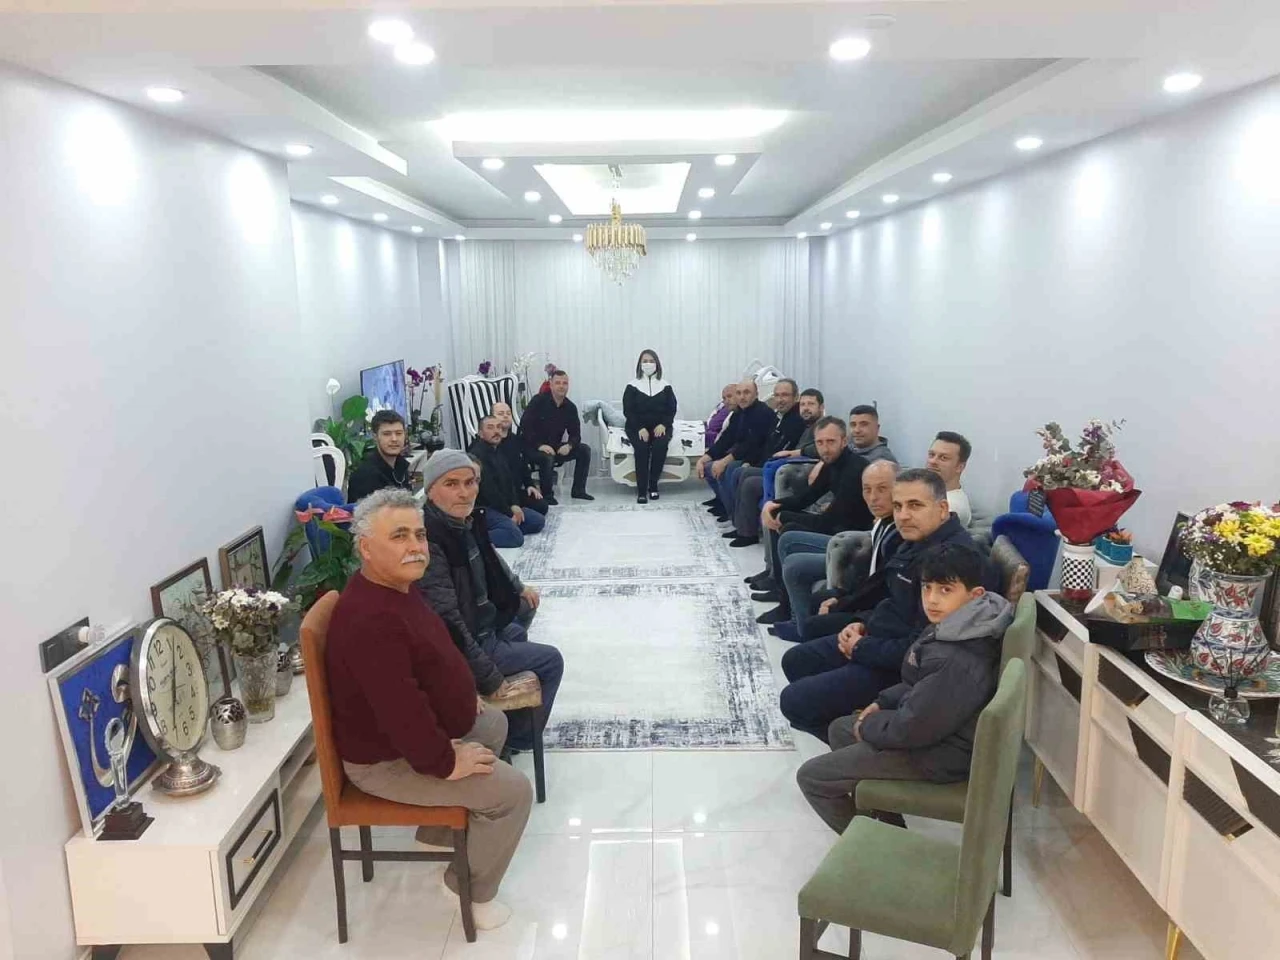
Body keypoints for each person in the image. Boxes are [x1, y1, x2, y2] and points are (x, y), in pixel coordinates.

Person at [326, 488, 531, 930]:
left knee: (493, 723)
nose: (416, 546)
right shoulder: (371, 619)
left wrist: (461, 693)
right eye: (399, 536)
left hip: (412, 737)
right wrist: (444, 762)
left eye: (419, 535)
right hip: (386, 761)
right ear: (366, 548)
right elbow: (398, 707)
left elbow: (426, 657)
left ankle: (438, 833)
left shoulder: (393, 588)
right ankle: (467, 890)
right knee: (513, 794)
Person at [795, 542, 1013, 834]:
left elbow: (913, 728)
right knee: (839, 729)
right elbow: (918, 682)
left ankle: (874, 847)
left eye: (945, 590)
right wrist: (882, 703)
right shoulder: (963, 621)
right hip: (936, 732)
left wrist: (868, 726)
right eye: (927, 588)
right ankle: (889, 825)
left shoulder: (957, 657)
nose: (932, 599)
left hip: (941, 754)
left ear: (975, 594)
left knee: (813, 777)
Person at [777, 468, 983, 741]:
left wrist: (861, 648)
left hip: (897, 667)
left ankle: (859, 744)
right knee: (796, 660)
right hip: (878, 637)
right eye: (898, 506)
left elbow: (920, 648)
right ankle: (847, 724)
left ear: (943, 508)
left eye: (915, 505)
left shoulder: (951, 564)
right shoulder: (915, 540)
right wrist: (861, 624)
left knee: (793, 701)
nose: (903, 515)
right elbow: (889, 597)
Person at [417, 450, 564, 752]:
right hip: (470, 641)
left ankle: (513, 715)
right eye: (451, 484)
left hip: (483, 624)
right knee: (551, 660)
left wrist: (518, 587)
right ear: (430, 490)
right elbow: (448, 624)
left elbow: (492, 560)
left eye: (470, 482)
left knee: (519, 624)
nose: (464, 492)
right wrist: (489, 677)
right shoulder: (431, 541)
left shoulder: (463, 522)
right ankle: (517, 739)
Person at [749, 417, 874, 622]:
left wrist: (783, 515)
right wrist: (773, 505)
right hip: (836, 527)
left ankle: (787, 607)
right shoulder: (832, 464)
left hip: (851, 539)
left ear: (844, 441)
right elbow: (806, 498)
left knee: (788, 531)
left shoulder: (854, 469)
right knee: (778, 517)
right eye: (820, 443)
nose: (825, 448)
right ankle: (778, 585)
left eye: (831, 442)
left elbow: (829, 521)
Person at [768, 459, 901, 644]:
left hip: (875, 603)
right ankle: (793, 616)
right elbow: (811, 498)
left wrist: (842, 603)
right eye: (867, 490)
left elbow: (881, 586)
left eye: (882, 489)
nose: (873, 498)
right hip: (859, 568)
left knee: (811, 624)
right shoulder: (882, 519)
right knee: (791, 547)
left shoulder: (899, 531)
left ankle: (804, 633)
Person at [726, 387, 824, 545]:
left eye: (811, 404)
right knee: (741, 472)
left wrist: (798, 453)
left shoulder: (823, 427)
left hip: (796, 474)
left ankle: (747, 533)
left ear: (821, 407)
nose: (806, 408)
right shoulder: (802, 424)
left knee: (750, 483)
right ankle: (740, 526)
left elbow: (821, 449)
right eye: (803, 404)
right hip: (784, 467)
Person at [716, 379, 804, 534]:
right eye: (777, 395)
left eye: (785, 395)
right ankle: (738, 522)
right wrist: (751, 462)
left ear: (796, 397)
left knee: (743, 476)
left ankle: (745, 531)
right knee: (739, 471)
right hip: (767, 463)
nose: (780, 399)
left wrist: (752, 463)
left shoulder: (795, 420)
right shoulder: (780, 417)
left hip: (780, 468)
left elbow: (773, 447)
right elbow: (767, 445)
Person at [696, 380, 774, 521]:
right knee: (708, 467)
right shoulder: (739, 413)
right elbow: (726, 438)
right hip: (743, 455)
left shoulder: (762, 413)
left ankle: (735, 517)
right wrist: (704, 458)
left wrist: (724, 461)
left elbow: (751, 444)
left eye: (747, 392)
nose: (742, 397)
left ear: (756, 394)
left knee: (729, 469)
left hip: (757, 458)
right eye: (739, 393)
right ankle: (725, 505)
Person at [468, 416, 547, 548]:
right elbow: (489, 492)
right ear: (480, 433)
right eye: (490, 428)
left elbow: (510, 483)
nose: (496, 431)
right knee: (515, 537)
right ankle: (472, 539)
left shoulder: (498, 451)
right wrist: (509, 512)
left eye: (498, 427)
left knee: (537, 521)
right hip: (485, 508)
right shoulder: (477, 455)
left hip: (504, 505)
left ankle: (505, 527)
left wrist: (515, 504)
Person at [521, 370, 594, 501]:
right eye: (558, 383)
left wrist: (569, 445)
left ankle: (578, 490)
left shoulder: (570, 407)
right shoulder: (538, 401)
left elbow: (576, 434)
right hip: (533, 447)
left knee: (584, 450)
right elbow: (525, 426)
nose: (561, 386)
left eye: (564, 383)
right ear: (551, 384)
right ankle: (547, 495)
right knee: (547, 457)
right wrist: (540, 446)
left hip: (554, 446)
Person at [623, 349, 677, 504]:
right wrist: (640, 427)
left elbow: (671, 409)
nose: (648, 364)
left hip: (660, 426)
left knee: (660, 446)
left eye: (651, 361)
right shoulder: (632, 386)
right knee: (641, 448)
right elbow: (628, 410)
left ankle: (653, 486)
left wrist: (664, 424)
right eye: (645, 361)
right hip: (636, 427)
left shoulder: (665, 386)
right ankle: (641, 490)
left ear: (657, 364)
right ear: (640, 364)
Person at [492, 400, 555, 507]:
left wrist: (530, 485)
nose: (505, 416)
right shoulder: (487, 441)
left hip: (515, 492)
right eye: (500, 414)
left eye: (508, 413)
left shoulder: (516, 440)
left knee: (542, 505)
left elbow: (524, 466)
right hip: (496, 493)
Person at [345, 410, 412, 503]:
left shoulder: (401, 467)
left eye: (398, 433)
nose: (394, 439)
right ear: (375, 437)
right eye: (387, 434)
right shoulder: (365, 476)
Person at [927, 431, 973, 527]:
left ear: (960, 467)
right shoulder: (934, 494)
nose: (933, 461)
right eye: (931, 455)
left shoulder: (952, 507)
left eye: (943, 458)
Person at [704, 384, 737, 449]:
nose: (726, 401)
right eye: (724, 398)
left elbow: (713, 425)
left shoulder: (736, 414)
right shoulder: (729, 409)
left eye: (729, 396)